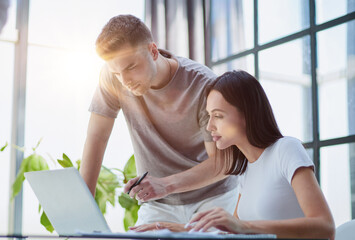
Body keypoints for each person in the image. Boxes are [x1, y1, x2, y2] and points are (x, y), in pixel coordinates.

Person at [131, 70, 335, 240]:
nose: (210, 126)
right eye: (209, 116)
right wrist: (180, 230)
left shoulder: (286, 149)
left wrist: (244, 226)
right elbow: (233, 233)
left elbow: (325, 227)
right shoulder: (246, 169)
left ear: (248, 114)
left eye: (218, 116)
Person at [79, 14, 238, 226]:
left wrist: (165, 185)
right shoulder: (112, 77)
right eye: (116, 73)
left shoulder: (203, 85)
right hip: (160, 202)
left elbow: (223, 162)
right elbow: (97, 137)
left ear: (153, 51)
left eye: (131, 67)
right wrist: (83, 211)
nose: (124, 81)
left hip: (212, 196)